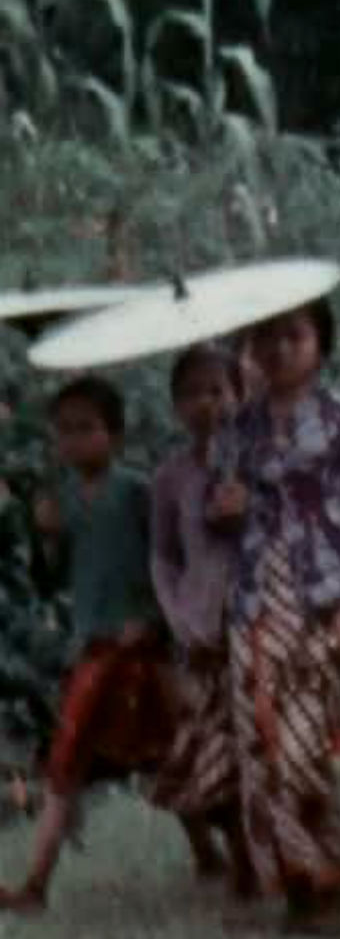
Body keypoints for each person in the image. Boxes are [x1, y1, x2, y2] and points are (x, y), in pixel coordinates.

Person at [210, 299, 340, 930]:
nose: (280, 348)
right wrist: (225, 508)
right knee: (260, 743)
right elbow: (221, 515)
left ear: (320, 342)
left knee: (305, 742)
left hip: (322, 596)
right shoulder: (238, 429)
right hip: (254, 599)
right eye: (267, 336)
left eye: (294, 335)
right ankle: (301, 883)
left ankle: (325, 863)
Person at [0, 379, 172, 913]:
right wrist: (49, 535)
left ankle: (225, 852)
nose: (74, 440)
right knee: (66, 759)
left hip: (142, 648)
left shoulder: (138, 491)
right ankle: (35, 885)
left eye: (86, 428)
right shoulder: (65, 498)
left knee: (168, 753)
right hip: (92, 648)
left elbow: (166, 561)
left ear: (114, 435)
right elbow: (55, 579)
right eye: (65, 431)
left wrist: (151, 619)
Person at [148, 347, 255, 899]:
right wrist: (181, 619)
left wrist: (247, 508)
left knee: (258, 746)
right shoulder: (171, 476)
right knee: (211, 750)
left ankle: (277, 854)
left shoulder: (260, 462)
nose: (206, 404)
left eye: (217, 390)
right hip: (201, 630)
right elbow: (163, 556)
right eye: (191, 394)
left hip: (255, 622)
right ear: (175, 405)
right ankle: (240, 857)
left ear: (239, 394)